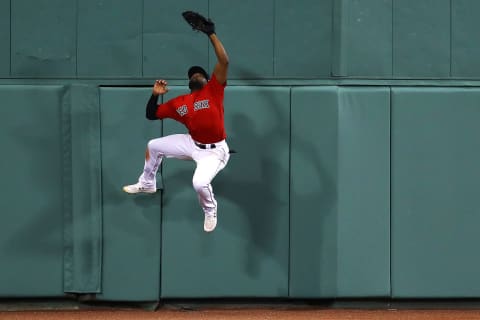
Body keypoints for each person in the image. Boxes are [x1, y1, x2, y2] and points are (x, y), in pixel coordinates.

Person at [123, 17, 229, 233]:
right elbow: (151, 115)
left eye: (200, 73)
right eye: (192, 74)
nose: (195, 75)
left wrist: (211, 34)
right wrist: (154, 95)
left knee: (199, 184)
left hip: (214, 151)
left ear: (208, 79)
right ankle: (147, 183)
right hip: (192, 143)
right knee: (154, 145)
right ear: (189, 82)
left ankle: (210, 209)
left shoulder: (214, 90)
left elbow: (224, 62)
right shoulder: (180, 104)